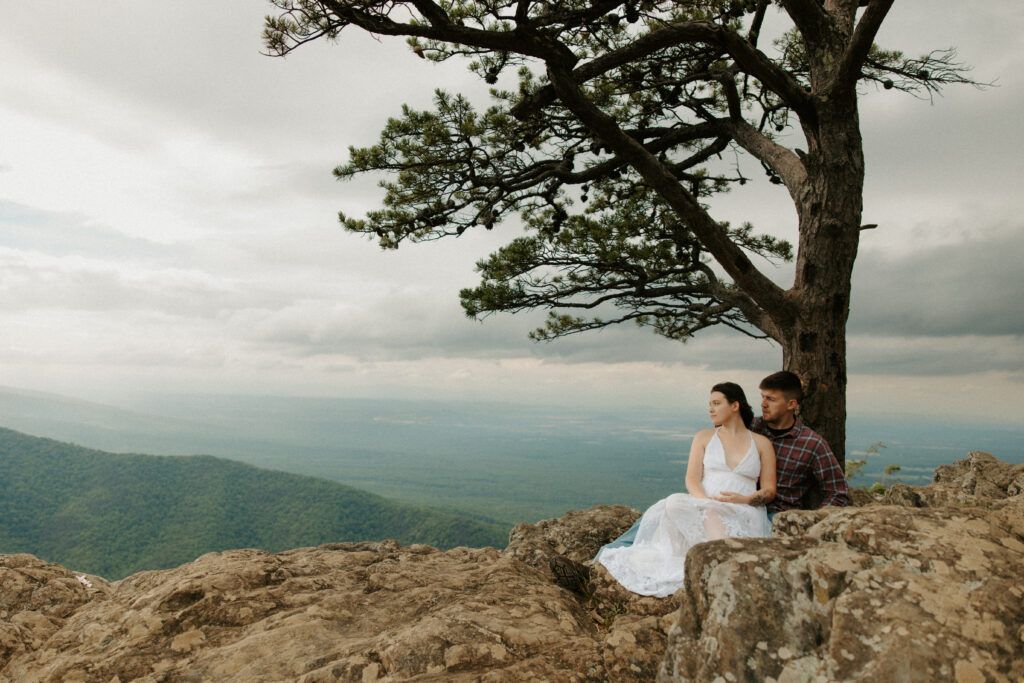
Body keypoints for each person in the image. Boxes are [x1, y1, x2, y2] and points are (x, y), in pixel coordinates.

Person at [594, 382, 776, 597]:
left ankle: (722, 563)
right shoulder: (704, 437)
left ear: (735, 405)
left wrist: (744, 500)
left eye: (717, 403)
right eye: (710, 404)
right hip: (703, 504)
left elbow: (769, 490)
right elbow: (692, 479)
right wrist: (706, 502)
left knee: (708, 513)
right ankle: (713, 556)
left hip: (743, 511)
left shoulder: (761, 443)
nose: (711, 409)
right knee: (672, 504)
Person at [750, 371, 849, 514]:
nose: (763, 404)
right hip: (741, 508)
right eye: (763, 397)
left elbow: (838, 492)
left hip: (778, 516)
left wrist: (811, 521)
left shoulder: (812, 443)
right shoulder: (750, 428)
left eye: (770, 399)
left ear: (791, 404)